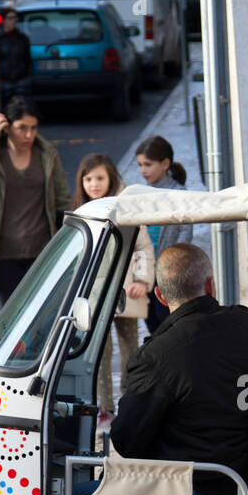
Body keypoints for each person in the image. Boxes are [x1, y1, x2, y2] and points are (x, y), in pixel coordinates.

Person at [109, 243, 248, 495]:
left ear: (160, 295)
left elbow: (126, 443)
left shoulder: (154, 357)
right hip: (245, 489)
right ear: (211, 285)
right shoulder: (247, 324)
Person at [0, 97, 73, 306]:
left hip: (42, 250)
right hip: (5, 255)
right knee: (12, 320)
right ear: (8, 127)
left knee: (43, 314)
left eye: (33, 128)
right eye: (22, 128)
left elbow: (63, 199)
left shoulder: (46, 154)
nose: (29, 135)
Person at [73, 153, 154, 422]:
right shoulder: (81, 211)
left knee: (130, 345)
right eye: (88, 179)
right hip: (95, 292)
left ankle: (131, 400)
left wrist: (142, 280)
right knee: (98, 350)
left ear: (111, 179)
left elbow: (142, 246)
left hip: (126, 290)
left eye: (99, 178)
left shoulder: (125, 208)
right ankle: (104, 407)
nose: (94, 184)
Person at [135, 135, 192, 335]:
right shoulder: (142, 193)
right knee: (150, 320)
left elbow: (185, 231)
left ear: (165, 163)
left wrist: (174, 263)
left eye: (148, 165)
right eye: (140, 165)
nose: (143, 170)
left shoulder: (178, 192)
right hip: (147, 269)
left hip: (167, 270)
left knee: (167, 318)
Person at [0, 9, 32, 106]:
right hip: (4, 81)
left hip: (21, 80)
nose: (13, 21)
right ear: (4, 20)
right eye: (10, 18)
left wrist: (28, 77)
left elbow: (27, 59)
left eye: (15, 18)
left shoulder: (22, 38)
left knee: (21, 109)